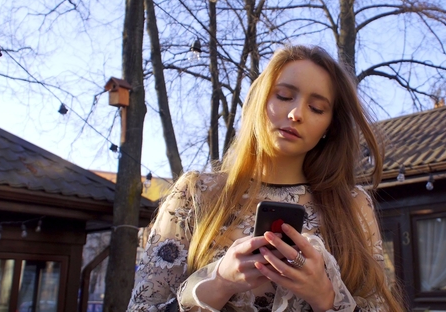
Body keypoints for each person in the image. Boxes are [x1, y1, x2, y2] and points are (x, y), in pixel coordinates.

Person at [127, 45, 402, 311]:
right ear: (260, 100)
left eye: (317, 108)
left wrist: (326, 298)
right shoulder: (196, 194)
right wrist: (218, 284)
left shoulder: (352, 206)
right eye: (283, 96)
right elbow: (143, 306)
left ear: (330, 126)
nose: (296, 114)